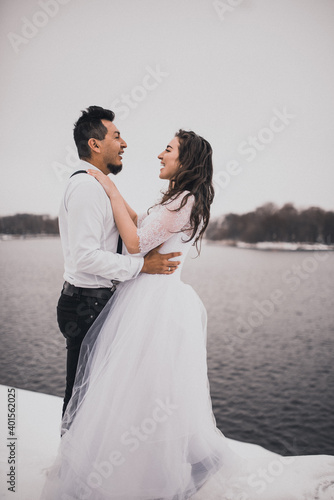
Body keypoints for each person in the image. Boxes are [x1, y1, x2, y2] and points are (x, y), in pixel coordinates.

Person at [42, 130, 334, 499]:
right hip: (148, 299)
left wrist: (110, 190)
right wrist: (110, 191)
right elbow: (139, 223)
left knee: (140, 391)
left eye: (168, 150)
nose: (160, 155)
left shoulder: (183, 201)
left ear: (186, 160)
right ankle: (139, 463)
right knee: (137, 392)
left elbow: (134, 243)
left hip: (152, 305)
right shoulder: (178, 200)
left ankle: (154, 471)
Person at [57, 106, 181, 416]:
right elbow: (85, 257)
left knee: (100, 396)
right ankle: (70, 464)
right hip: (86, 305)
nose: (124, 143)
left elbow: (134, 226)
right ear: (94, 144)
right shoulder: (86, 189)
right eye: (116, 136)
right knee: (81, 397)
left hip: (96, 302)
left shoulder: (99, 186)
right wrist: (142, 266)